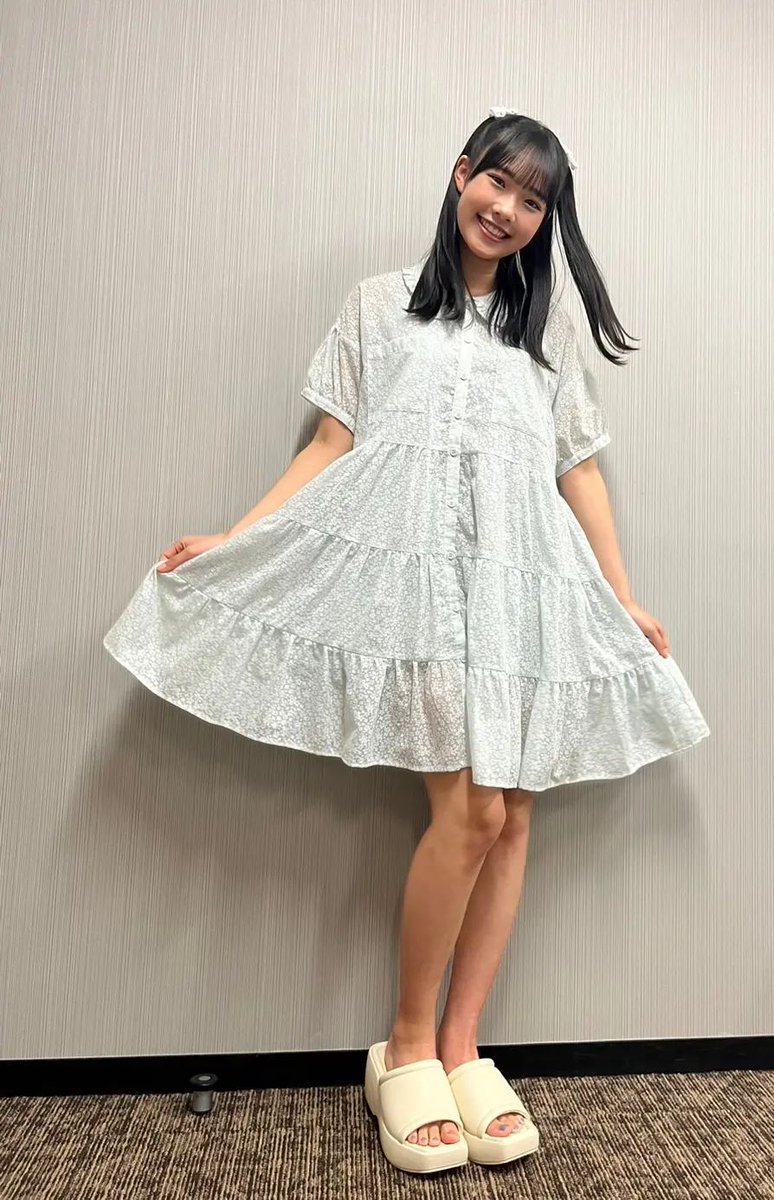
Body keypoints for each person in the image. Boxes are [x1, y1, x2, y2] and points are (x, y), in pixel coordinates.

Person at [103, 108, 710, 1175]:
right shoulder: (378, 306)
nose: (508, 210)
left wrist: (621, 596)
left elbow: (576, 468)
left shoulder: (545, 334)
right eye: (499, 183)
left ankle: (464, 1046)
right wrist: (239, 537)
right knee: (471, 810)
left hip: (522, 588)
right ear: (462, 172)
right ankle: (408, 1046)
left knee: (513, 816)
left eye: (534, 201)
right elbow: (331, 443)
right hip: (416, 591)